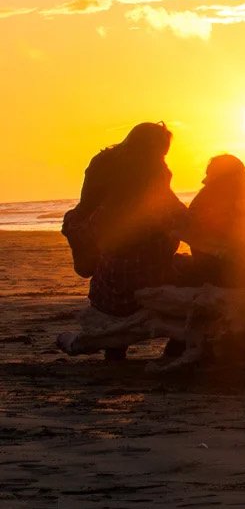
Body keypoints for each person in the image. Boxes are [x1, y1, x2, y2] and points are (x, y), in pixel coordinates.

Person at [62, 122, 188, 359]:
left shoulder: (102, 163)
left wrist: (85, 230)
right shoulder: (156, 171)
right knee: (187, 269)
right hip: (150, 270)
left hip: (110, 280)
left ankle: (115, 347)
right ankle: (175, 347)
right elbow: (173, 211)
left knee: (75, 222)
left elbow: (85, 206)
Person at [183, 154, 245, 286]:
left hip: (218, 269)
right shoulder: (208, 201)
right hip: (221, 269)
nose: (204, 181)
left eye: (210, 175)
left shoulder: (207, 199)